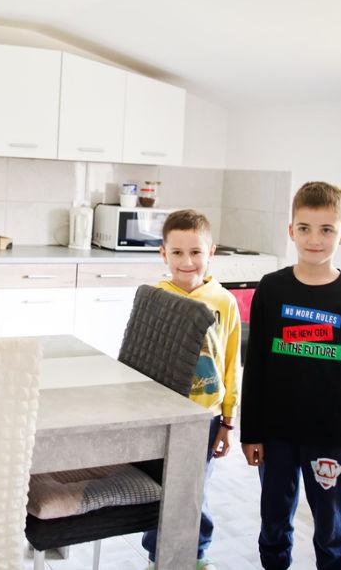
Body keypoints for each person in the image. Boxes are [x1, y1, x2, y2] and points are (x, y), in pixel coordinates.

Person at [240, 181, 341, 570]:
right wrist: (250, 433)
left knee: (331, 530)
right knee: (273, 521)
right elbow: (256, 367)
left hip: (330, 437)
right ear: (291, 230)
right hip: (276, 435)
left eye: (326, 229)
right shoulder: (271, 289)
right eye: (305, 228)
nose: (314, 239)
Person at [141, 209, 241, 570]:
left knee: (195, 488)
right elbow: (141, 356)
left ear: (210, 252)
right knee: (162, 488)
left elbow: (231, 363)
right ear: (163, 254)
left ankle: (197, 554)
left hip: (205, 416)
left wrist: (228, 420)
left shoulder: (224, 301)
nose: (187, 262)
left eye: (196, 252)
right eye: (178, 252)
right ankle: (157, 556)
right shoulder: (154, 296)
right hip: (162, 413)